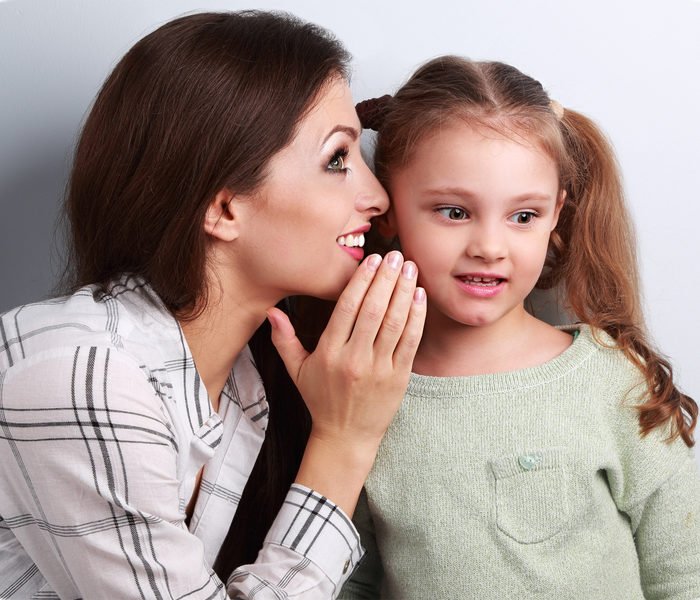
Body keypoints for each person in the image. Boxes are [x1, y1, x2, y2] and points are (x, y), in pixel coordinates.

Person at [0, 11, 427, 599]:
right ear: (224, 210)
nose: (377, 196)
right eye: (337, 160)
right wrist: (345, 441)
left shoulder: (242, 390)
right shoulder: (83, 375)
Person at [340, 56, 700, 599]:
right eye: (453, 211)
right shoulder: (365, 392)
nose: (489, 246)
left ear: (555, 213)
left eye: (522, 216)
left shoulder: (610, 380)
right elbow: (352, 582)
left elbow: (685, 571)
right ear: (389, 210)